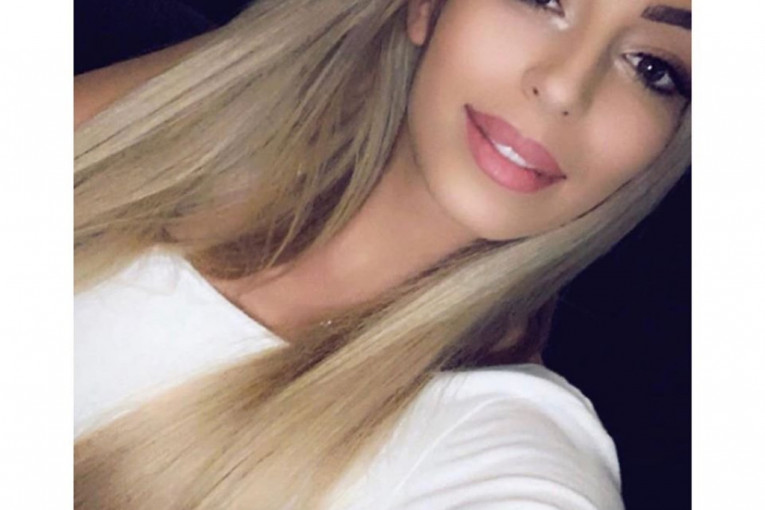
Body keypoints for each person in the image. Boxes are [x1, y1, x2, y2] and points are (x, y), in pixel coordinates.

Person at [73, 0, 691, 508]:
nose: (562, 87)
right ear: (425, 7)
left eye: (652, 68)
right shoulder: (195, 129)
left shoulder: (505, 450)